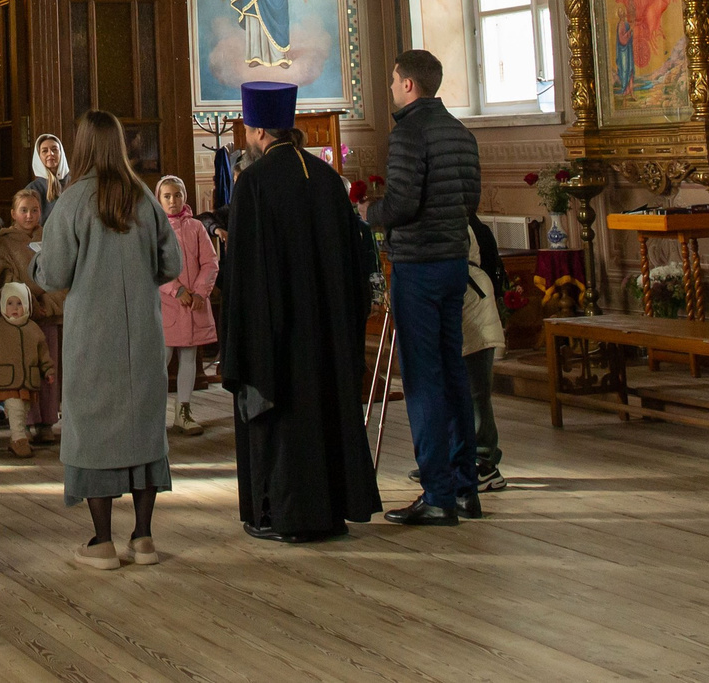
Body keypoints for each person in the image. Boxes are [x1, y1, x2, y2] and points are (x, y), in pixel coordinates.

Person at [220, 80, 379, 543]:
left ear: (257, 131)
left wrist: (243, 338)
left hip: (279, 336)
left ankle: (285, 514)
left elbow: (246, 273)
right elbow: (355, 262)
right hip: (327, 331)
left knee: (286, 421)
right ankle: (333, 511)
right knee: (327, 412)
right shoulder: (328, 179)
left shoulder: (253, 183)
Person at [37, 111, 185, 570]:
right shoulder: (144, 196)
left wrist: (33, 267)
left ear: (80, 147)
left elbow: (54, 274)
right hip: (142, 330)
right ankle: (143, 538)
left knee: (92, 429)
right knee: (144, 426)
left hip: (90, 336)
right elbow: (172, 264)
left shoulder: (73, 200)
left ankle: (101, 542)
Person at [367, 48, 484, 526]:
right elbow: (470, 200)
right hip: (454, 262)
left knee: (422, 378)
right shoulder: (460, 131)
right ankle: (464, 490)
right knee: (453, 371)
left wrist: (367, 214)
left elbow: (401, 203)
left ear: (409, 84)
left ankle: (437, 493)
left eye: (394, 80)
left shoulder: (408, 133)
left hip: (418, 265)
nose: (393, 87)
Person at [0, 186, 61, 443]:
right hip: (19, 320)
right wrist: (26, 301)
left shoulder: (51, 237)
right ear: (14, 213)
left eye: (35, 210)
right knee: (23, 372)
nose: (29, 215)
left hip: (49, 314)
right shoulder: (4, 242)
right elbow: (2, 276)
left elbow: (61, 274)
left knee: (48, 370)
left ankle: (48, 422)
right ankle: (24, 424)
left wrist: (47, 302)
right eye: (24, 210)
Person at [157, 174, 219, 437]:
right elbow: (153, 265)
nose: (173, 201)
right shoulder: (155, 229)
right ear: (159, 199)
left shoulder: (196, 227)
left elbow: (210, 262)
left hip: (194, 303)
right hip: (167, 304)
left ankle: (184, 409)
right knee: (162, 359)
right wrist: (175, 289)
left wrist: (199, 292)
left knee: (189, 357)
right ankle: (155, 414)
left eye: (178, 195)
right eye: (167, 196)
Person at [463, 213, 507, 493]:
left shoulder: (468, 225)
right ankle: (457, 458)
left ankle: (485, 463)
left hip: (475, 314)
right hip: (467, 313)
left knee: (476, 392)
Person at [0, 282, 53, 458]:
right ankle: (19, 438)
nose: (14, 308)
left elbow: (42, 353)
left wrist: (48, 370)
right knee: (15, 408)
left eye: (19, 303)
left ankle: (17, 437)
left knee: (23, 408)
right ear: (2, 305)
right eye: (10, 303)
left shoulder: (33, 329)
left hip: (28, 380)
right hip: (6, 379)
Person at [28, 132, 70, 208]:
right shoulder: (32, 189)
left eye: (55, 149)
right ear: (38, 157)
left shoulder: (74, 182)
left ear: (61, 153)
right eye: (45, 151)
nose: (50, 153)